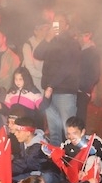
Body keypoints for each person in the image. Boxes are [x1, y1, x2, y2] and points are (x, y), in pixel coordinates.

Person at [34, 13, 80, 145]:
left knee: (70, 131)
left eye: (61, 22)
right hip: (50, 91)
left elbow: (67, 68)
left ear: (67, 26)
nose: (57, 24)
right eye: (55, 21)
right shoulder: (51, 41)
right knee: (54, 131)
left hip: (64, 91)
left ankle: (74, 156)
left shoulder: (72, 43)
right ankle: (56, 157)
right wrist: (47, 38)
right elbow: (37, 54)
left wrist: (51, 85)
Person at [60, 116, 102, 183]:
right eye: (68, 134)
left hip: (99, 177)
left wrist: (86, 173)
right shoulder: (66, 145)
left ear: (83, 132)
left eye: (74, 133)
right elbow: (65, 166)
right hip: (79, 180)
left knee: (93, 160)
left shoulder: (94, 141)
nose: (71, 137)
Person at [76, 25, 100, 126]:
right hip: (78, 89)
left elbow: (95, 74)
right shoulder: (81, 49)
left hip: (82, 90)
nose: (81, 38)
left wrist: (83, 88)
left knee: (79, 118)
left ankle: (80, 135)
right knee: (76, 117)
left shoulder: (91, 51)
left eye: (84, 35)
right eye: (80, 35)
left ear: (89, 35)